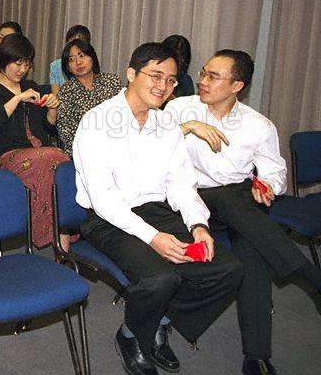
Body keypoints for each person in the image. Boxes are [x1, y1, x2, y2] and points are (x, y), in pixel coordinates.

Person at [73, 42, 244, 375]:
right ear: (131, 74)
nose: (162, 86)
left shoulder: (166, 125)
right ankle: (133, 336)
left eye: (171, 80)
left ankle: (159, 320)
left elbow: (181, 184)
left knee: (227, 269)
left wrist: (199, 225)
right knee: (159, 279)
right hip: (107, 218)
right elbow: (104, 198)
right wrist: (153, 238)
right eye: (154, 76)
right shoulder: (97, 122)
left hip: (156, 211)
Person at [165, 49, 321, 375]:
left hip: (237, 200)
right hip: (187, 196)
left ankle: (256, 355)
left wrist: (267, 186)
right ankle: (311, 280)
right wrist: (187, 127)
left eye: (213, 76)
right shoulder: (181, 108)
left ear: (237, 86)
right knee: (242, 222)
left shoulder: (258, 126)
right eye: (204, 73)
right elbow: (148, 144)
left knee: (251, 252)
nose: (203, 81)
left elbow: (276, 172)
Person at [0, 34, 70, 254]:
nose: (22, 69)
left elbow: (48, 128)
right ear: (3, 60)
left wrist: (52, 109)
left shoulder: (31, 86)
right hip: (7, 155)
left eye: (26, 64)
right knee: (53, 158)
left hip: (41, 153)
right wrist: (17, 99)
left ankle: (62, 253)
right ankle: (48, 235)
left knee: (61, 166)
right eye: (17, 63)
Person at [56, 38, 121, 155]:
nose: (78, 62)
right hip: (85, 151)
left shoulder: (112, 81)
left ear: (92, 57)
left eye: (82, 55)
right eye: (72, 59)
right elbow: (66, 131)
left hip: (118, 145)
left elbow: (125, 116)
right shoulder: (66, 92)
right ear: (68, 68)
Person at [49, 24, 92, 95]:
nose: (74, 46)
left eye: (79, 42)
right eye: (71, 41)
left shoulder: (89, 63)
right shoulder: (55, 65)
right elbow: (56, 95)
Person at [162, 34, 195, 98]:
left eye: (181, 55)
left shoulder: (185, 80)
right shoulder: (152, 72)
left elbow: (188, 106)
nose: (178, 59)